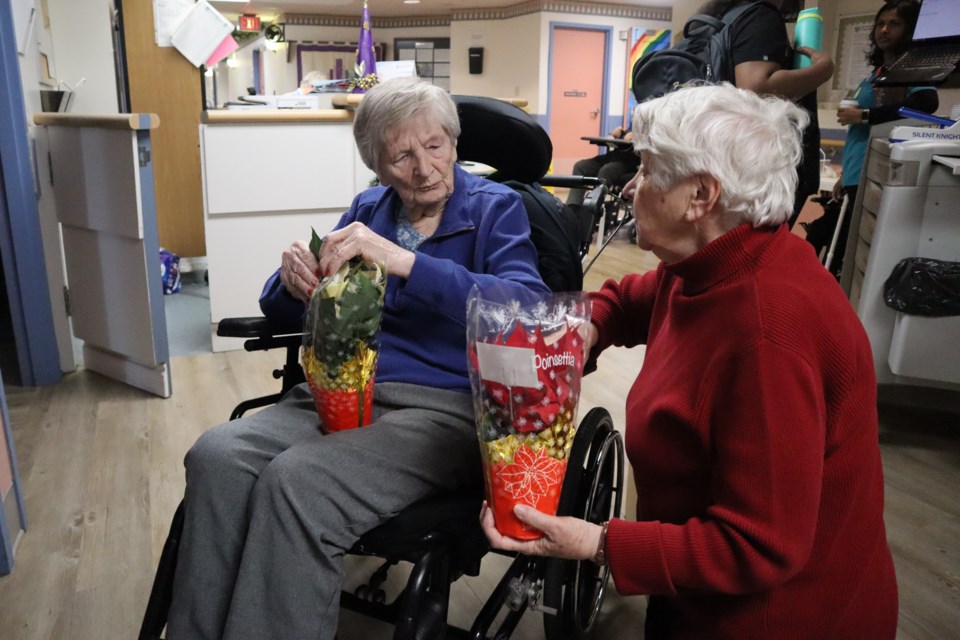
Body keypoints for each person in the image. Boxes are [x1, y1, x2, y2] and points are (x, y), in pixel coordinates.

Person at [481, 83, 898, 639]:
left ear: (701, 195)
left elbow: (758, 547)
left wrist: (594, 542)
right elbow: (635, 296)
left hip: (776, 620)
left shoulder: (767, 337)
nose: (630, 186)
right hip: (701, 599)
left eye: (648, 171)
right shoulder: (719, 260)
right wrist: (589, 327)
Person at [166, 77, 550, 640]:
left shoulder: (498, 210)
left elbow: (530, 309)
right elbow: (295, 305)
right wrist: (290, 280)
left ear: (454, 142)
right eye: (401, 155)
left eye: (435, 146)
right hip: (343, 392)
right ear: (376, 164)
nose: (423, 168)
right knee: (216, 456)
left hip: (442, 411)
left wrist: (406, 263)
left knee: (297, 481)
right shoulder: (369, 208)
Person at [805, 0, 938, 275]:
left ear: (910, 30)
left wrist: (865, 116)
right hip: (855, 172)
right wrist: (845, 175)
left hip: (877, 171)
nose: (884, 30)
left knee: (843, 251)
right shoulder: (875, 75)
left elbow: (927, 102)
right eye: (880, 23)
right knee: (826, 240)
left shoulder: (909, 70)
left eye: (894, 24)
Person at [698, 0, 834, 228]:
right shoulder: (760, 15)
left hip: (721, 159)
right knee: (753, 252)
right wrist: (823, 69)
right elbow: (756, 87)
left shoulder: (722, 19)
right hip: (756, 168)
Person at [565, 126, 640, 212]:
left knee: (606, 171)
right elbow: (627, 135)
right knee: (581, 166)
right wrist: (620, 134)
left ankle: (592, 209)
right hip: (616, 155)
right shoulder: (636, 119)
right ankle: (573, 207)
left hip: (632, 160)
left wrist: (638, 137)